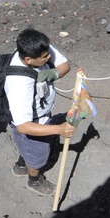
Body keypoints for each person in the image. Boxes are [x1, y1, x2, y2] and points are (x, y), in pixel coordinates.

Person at [4, 28, 76, 196]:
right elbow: (23, 126)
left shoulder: (38, 48)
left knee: (28, 148)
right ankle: (34, 180)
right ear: (28, 59)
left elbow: (65, 65)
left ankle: (21, 166)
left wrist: (53, 73)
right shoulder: (19, 84)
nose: (48, 57)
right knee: (38, 155)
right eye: (44, 58)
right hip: (32, 123)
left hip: (41, 115)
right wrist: (59, 129)